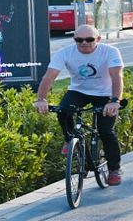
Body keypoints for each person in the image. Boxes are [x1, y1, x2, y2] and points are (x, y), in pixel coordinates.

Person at [33, 25, 124, 185]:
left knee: (105, 131)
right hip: (79, 91)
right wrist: (41, 99)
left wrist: (114, 101)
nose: (84, 43)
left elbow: (116, 76)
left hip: (104, 94)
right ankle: (70, 139)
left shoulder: (110, 52)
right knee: (63, 111)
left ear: (98, 39)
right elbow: (49, 77)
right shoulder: (65, 53)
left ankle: (114, 169)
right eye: (78, 40)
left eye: (89, 39)